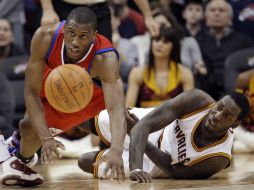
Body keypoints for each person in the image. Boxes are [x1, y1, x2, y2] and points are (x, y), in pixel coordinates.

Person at [0, 7, 127, 186]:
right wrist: (46, 138)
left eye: (83, 37)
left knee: (28, 127)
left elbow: (116, 109)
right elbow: (31, 92)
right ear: (64, 29)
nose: (74, 42)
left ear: (94, 36)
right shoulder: (45, 37)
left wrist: (116, 149)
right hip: (48, 77)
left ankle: (20, 158)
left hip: (82, 90)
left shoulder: (105, 59)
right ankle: (18, 152)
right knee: (30, 126)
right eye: (71, 33)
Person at [78, 89, 250, 182]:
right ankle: (52, 127)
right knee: (83, 122)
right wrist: (135, 166)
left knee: (85, 161)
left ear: (234, 124)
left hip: (158, 164)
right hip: (155, 128)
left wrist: (138, 169)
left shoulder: (218, 157)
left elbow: (175, 171)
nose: (218, 115)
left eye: (227, 116)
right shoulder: (197, 100)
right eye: (219, 107)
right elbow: (144, 125)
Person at [126, 26, 194, 108]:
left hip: (175, 119)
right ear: (151, 43)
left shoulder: (185, 73)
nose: (160, 44)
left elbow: (190, 108)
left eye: (165, 42)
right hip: (146, 119)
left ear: (173, 46)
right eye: (157, 40)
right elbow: (129, 108)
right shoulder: (137, 73)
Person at [39, 0, 159, 39]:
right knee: (67, 66)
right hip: (66, 9)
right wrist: (47, 9)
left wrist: (148, 15)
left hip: (100, 10)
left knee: (106, 64)